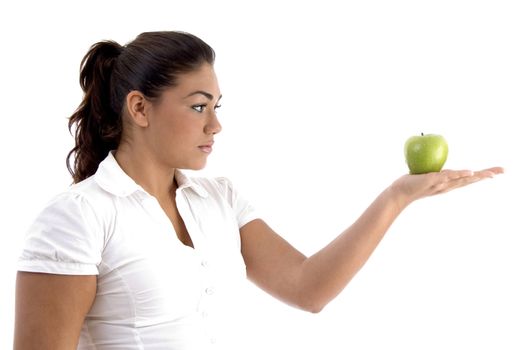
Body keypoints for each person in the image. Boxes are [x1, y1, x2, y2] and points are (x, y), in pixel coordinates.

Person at [13, 30, 503, 350]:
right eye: (200, 106)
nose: (216, 125)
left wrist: (396, 197)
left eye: (217, 106)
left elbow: (309, 288)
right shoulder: (77, 218)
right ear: (139, 109)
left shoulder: (219, 200)